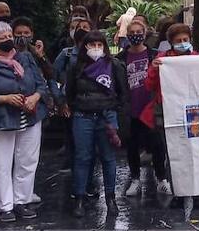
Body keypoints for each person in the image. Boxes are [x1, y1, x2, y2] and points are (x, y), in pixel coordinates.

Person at [0, 21, 51, 222]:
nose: (8, 39)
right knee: (1, 164)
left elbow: (41, 85)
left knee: (28, 161)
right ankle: (4, 206)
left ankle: (22, 201)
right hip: (1, 120)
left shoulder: (25, 58)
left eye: (9, 35)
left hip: (30, 117)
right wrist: (4, 99)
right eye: (2, 37)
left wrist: (35, 97)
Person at [64, 30, 129, 218]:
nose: (96, 48)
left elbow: (123, 93)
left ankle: (110, 198)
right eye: (92, 45)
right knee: (82, 157)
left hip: (107, 115)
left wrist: (117, 116)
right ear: (85, 46)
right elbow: (70, 93)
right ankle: (79, 197)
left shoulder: (114, 65)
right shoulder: (76, 66)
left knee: (108, 157)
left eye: (99, 44)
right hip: (83, 115)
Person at [140, 25, 190, 196]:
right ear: (171, 43)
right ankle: (164, 179)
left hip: (189, 111)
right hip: (165, 109)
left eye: (185, 40)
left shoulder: (197, 58)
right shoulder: (162, 59)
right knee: (164, 147)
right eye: (178, 41)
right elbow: (149, 85)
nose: (182, 43)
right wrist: (154, 69)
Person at [121, 19, 165, 196]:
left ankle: (162, 179)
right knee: (132, 146)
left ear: (145, 34)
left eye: (139, 32)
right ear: (127, 35)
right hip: (130, 108)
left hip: (150, 107)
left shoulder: (155, 55)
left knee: (157, 145)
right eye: (132, 32)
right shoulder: (120, 58)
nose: (136, 35)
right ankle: (135, 179)